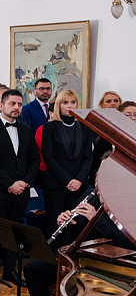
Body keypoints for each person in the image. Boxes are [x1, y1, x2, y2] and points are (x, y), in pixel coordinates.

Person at [0, 89, 40, 291]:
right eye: (12, 103)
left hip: (21, 191)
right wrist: (9, 184)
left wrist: (25, 182)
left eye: (20, 104)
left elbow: (34, 160)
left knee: (14, 232)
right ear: (0, 105)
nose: (16, 108)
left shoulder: (26, 129)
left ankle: (10, 270)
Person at [40, 89, 93, 235]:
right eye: (65, 102)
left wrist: (79, 180)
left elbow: (88, 157)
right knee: (54, 222)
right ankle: (52, 256)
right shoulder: (49, 127)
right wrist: (68, 180)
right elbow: (48, 157)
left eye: (73, 102)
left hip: (79, 185)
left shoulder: (85, 126)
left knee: (76, 224)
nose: (69, 106)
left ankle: (70, 256)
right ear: (59, 105)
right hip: (55, 184)